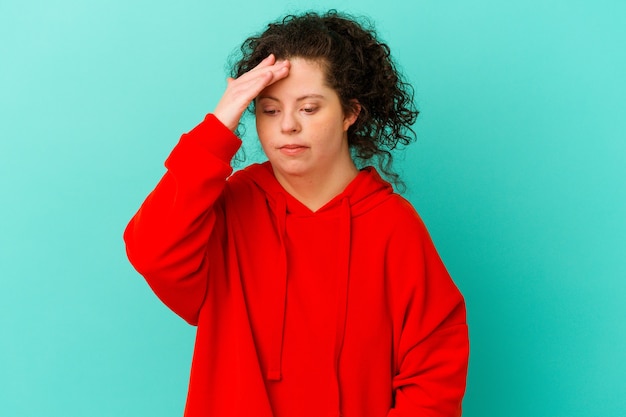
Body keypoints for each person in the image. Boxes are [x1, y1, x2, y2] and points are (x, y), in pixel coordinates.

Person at [124, 10, 469, 417]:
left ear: (349, 113)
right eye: (269, 111)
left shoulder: (392, 224)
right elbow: (151, 250)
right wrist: (217, 126)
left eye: (308, 108)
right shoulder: (229, 209)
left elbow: (435, 369)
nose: (287, 125)